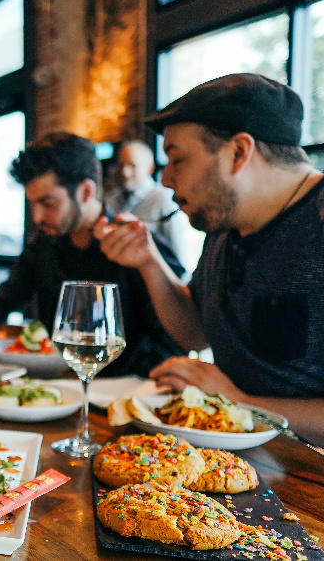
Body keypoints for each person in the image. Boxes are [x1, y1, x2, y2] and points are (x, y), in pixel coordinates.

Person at [95, 73, 324, 444]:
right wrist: (149, 261)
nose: (166, 179)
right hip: (238, 456)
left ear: (238, 152)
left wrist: (240, 402)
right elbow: (195, 330)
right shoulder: (224, 226)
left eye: (177, 160)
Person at [0, 131, 185, 378]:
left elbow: (175, 339)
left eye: (48, 203)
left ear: (86, 192)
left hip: (123, 396)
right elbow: (1, 303)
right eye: (32, 204)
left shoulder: (137, 245)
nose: (37, 217)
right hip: (58, 389)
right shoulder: (42, 246)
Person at [106, 140, 190, 264]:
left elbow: (178, 253)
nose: (125, 172)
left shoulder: (163, 198)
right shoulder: (112, 199)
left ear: (150, 169)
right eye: (121, 165)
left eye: (132, 166)